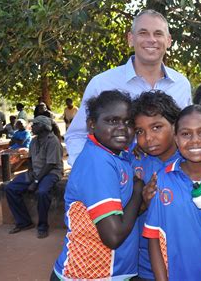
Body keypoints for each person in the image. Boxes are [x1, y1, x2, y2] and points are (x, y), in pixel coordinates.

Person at [65, 9, 192, 166]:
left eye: (158, 34)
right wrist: (90, 171)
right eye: (143, 33)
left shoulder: (181, 84)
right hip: (118, 184)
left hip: (172, 182)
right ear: (131, 39)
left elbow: (186, 132)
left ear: (168, 41)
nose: (151, 40)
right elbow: (77, 135)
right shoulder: (102, 83)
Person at [52, 90, 144, 279]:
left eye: (128, 122)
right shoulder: (98, 162)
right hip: (88, 275)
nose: (122, 128)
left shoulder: (117, 155)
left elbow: (124, 212)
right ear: (91, 124)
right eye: (112, 121)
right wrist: (137, 191)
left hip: (113, 273)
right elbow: (113, 236)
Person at [142, 105, 201, 280]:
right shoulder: (163, 179)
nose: (195, 140)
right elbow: (154, 236)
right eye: (186, 134)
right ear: (176, 139)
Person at [130, 91, 181, 280]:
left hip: (186, 264)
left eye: (157, 127)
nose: (148, 138)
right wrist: (143, 202)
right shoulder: (134, 162)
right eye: (140, 132)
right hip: (142, 266)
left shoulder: (193, 162)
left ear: (175, 126)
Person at [4, 116, 63, 239]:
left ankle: (43, 226)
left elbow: (50, 164)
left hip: (51, 173)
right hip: (35, 172)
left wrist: (36, 181)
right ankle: (24, 222)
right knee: (10, 188)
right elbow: (30, 160)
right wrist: (31, 173)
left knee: (42, 192)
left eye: (35, 124)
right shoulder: (34, 141)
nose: (32, 126)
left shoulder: (53, 141)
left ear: (43, 126)